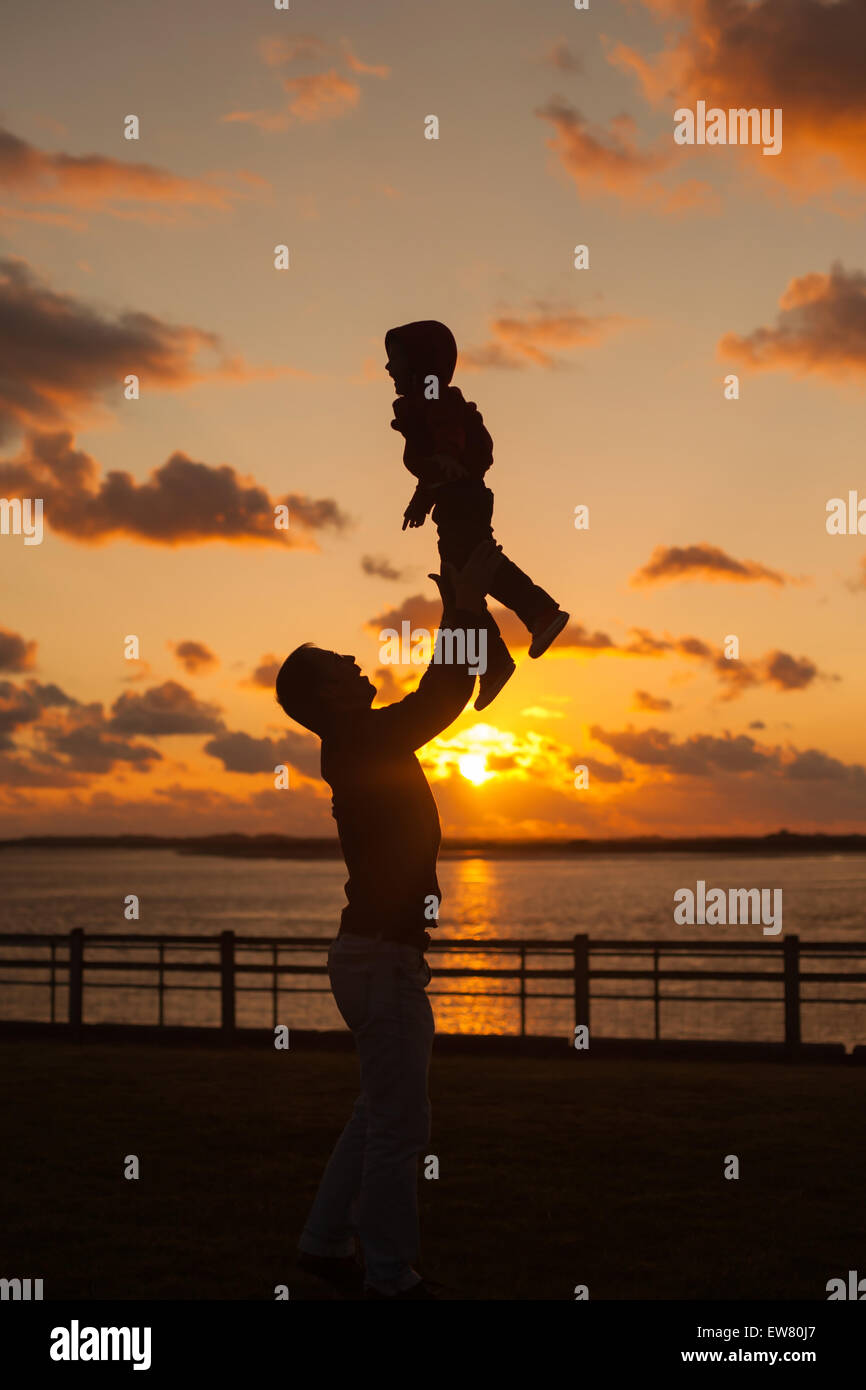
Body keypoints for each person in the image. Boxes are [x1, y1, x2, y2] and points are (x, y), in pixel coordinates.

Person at [277, 539, 504, 1300]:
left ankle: (321, 1245)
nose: (357, 661)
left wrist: (464, 609)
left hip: (370, 955)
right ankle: (389, 1275)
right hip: (379, 959)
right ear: (330, 694)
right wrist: (463, 605)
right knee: (401, 1127)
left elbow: (440, 695)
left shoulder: (354, 741)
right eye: (341, 662)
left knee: (376, 1112)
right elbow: (442, 697)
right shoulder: (359, 739)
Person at [385, 318, 570, 710]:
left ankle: (538, 613)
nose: (389, 370)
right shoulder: (419, 404)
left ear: (420, 364)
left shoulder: (435, 398)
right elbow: (433, 463)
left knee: (475, 568)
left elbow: (447, 434)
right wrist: (423, 497)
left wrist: (448, 459)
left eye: (396, 361)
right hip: (454, 500)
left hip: (465, 498)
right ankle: (494, 661)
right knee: (458, 585)